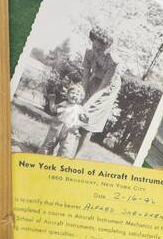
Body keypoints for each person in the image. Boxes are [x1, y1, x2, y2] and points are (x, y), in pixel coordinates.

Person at [41, 25, 122, 158]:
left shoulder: (114, 62)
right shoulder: (89, 53)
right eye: (94, 47)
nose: (96, 51)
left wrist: (87, 105)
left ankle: (76, 159)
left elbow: (103, 88)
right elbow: (85, 77)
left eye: (100, 49)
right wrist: (82, 95)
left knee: (88, 122)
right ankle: (61, 150)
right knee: (74, 112)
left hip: (107, 90)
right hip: (93, 81)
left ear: (108, 48)